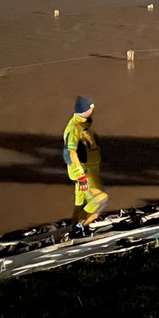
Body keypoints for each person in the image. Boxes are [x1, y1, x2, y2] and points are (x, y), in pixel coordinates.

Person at [63, 96, 108, 238]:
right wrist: (81, 176)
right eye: (91, 108)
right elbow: (70, 154)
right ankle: (80, 226)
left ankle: (76, 227)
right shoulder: (75, 128)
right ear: (85, 110)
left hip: (90, 172)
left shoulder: (85, 126)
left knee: (80, 203)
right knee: (99, 200)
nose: (92, 111)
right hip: (84, 174)